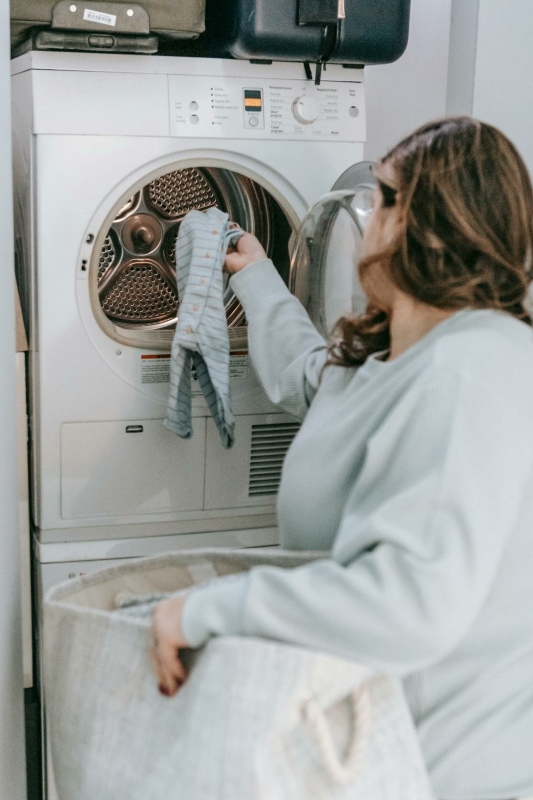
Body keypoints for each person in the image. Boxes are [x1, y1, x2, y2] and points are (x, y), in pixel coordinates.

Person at [151, 117, 533, 800]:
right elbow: (311, 377)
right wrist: (255, 277)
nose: (363, 218)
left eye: (381, 196)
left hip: (448, 775)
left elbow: (409, 604)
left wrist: (208, 609)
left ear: (427, 222)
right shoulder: (387, 352)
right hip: (360, 752)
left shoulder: (470, 369)